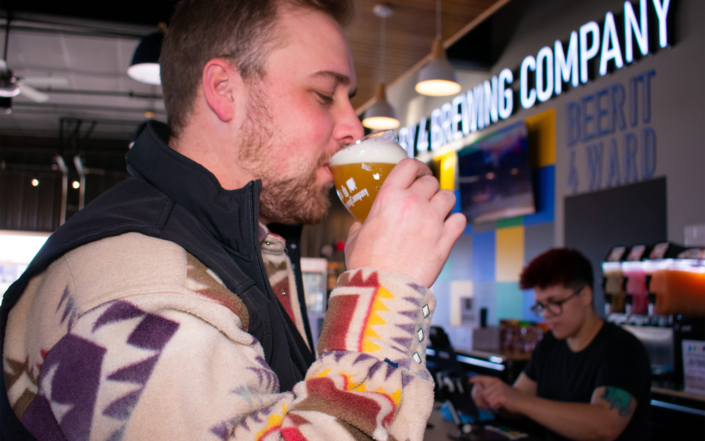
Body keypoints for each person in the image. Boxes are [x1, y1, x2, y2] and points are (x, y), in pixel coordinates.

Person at [0, 1, 466, 440]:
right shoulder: (139, 287)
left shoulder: (240, 247)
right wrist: (384, 293)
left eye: (348, 98)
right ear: (224, 90)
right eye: (324, 94)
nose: (353, 127)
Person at [470, 248, 651, 441]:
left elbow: (605, 426)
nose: (546, 314)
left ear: (585, 296)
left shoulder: (622, 348)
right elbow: (518, 401)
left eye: (554, 302)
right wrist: (495, 399)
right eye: (541, 306)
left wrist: (519, 401)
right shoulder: (550, 344)